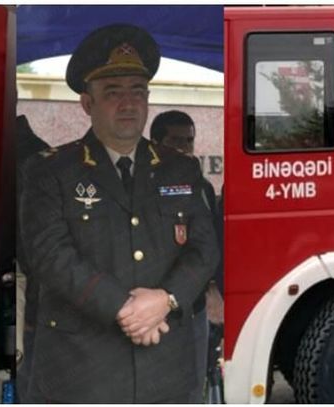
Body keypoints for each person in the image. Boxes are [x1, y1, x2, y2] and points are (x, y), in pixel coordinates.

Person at [19, 24, 218, 403]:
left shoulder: (180, 169)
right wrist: (128, 309)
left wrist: (167, 299)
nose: (128, 103)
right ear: (87, 104)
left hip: (165, 368)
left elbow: (204, 249)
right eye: (113, 92)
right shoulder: (50, 170)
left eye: (137, 91)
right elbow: (48, 255)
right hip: (81, 369)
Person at [150, 110, 222, 402]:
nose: (184, 147)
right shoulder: (141, 185)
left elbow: (210, 244)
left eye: (189, 141)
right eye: (176, 140)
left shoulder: (201, 186)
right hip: (154, 306)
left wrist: (214, 291)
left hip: (194, 307)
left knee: (193, 385)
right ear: (156, 142)